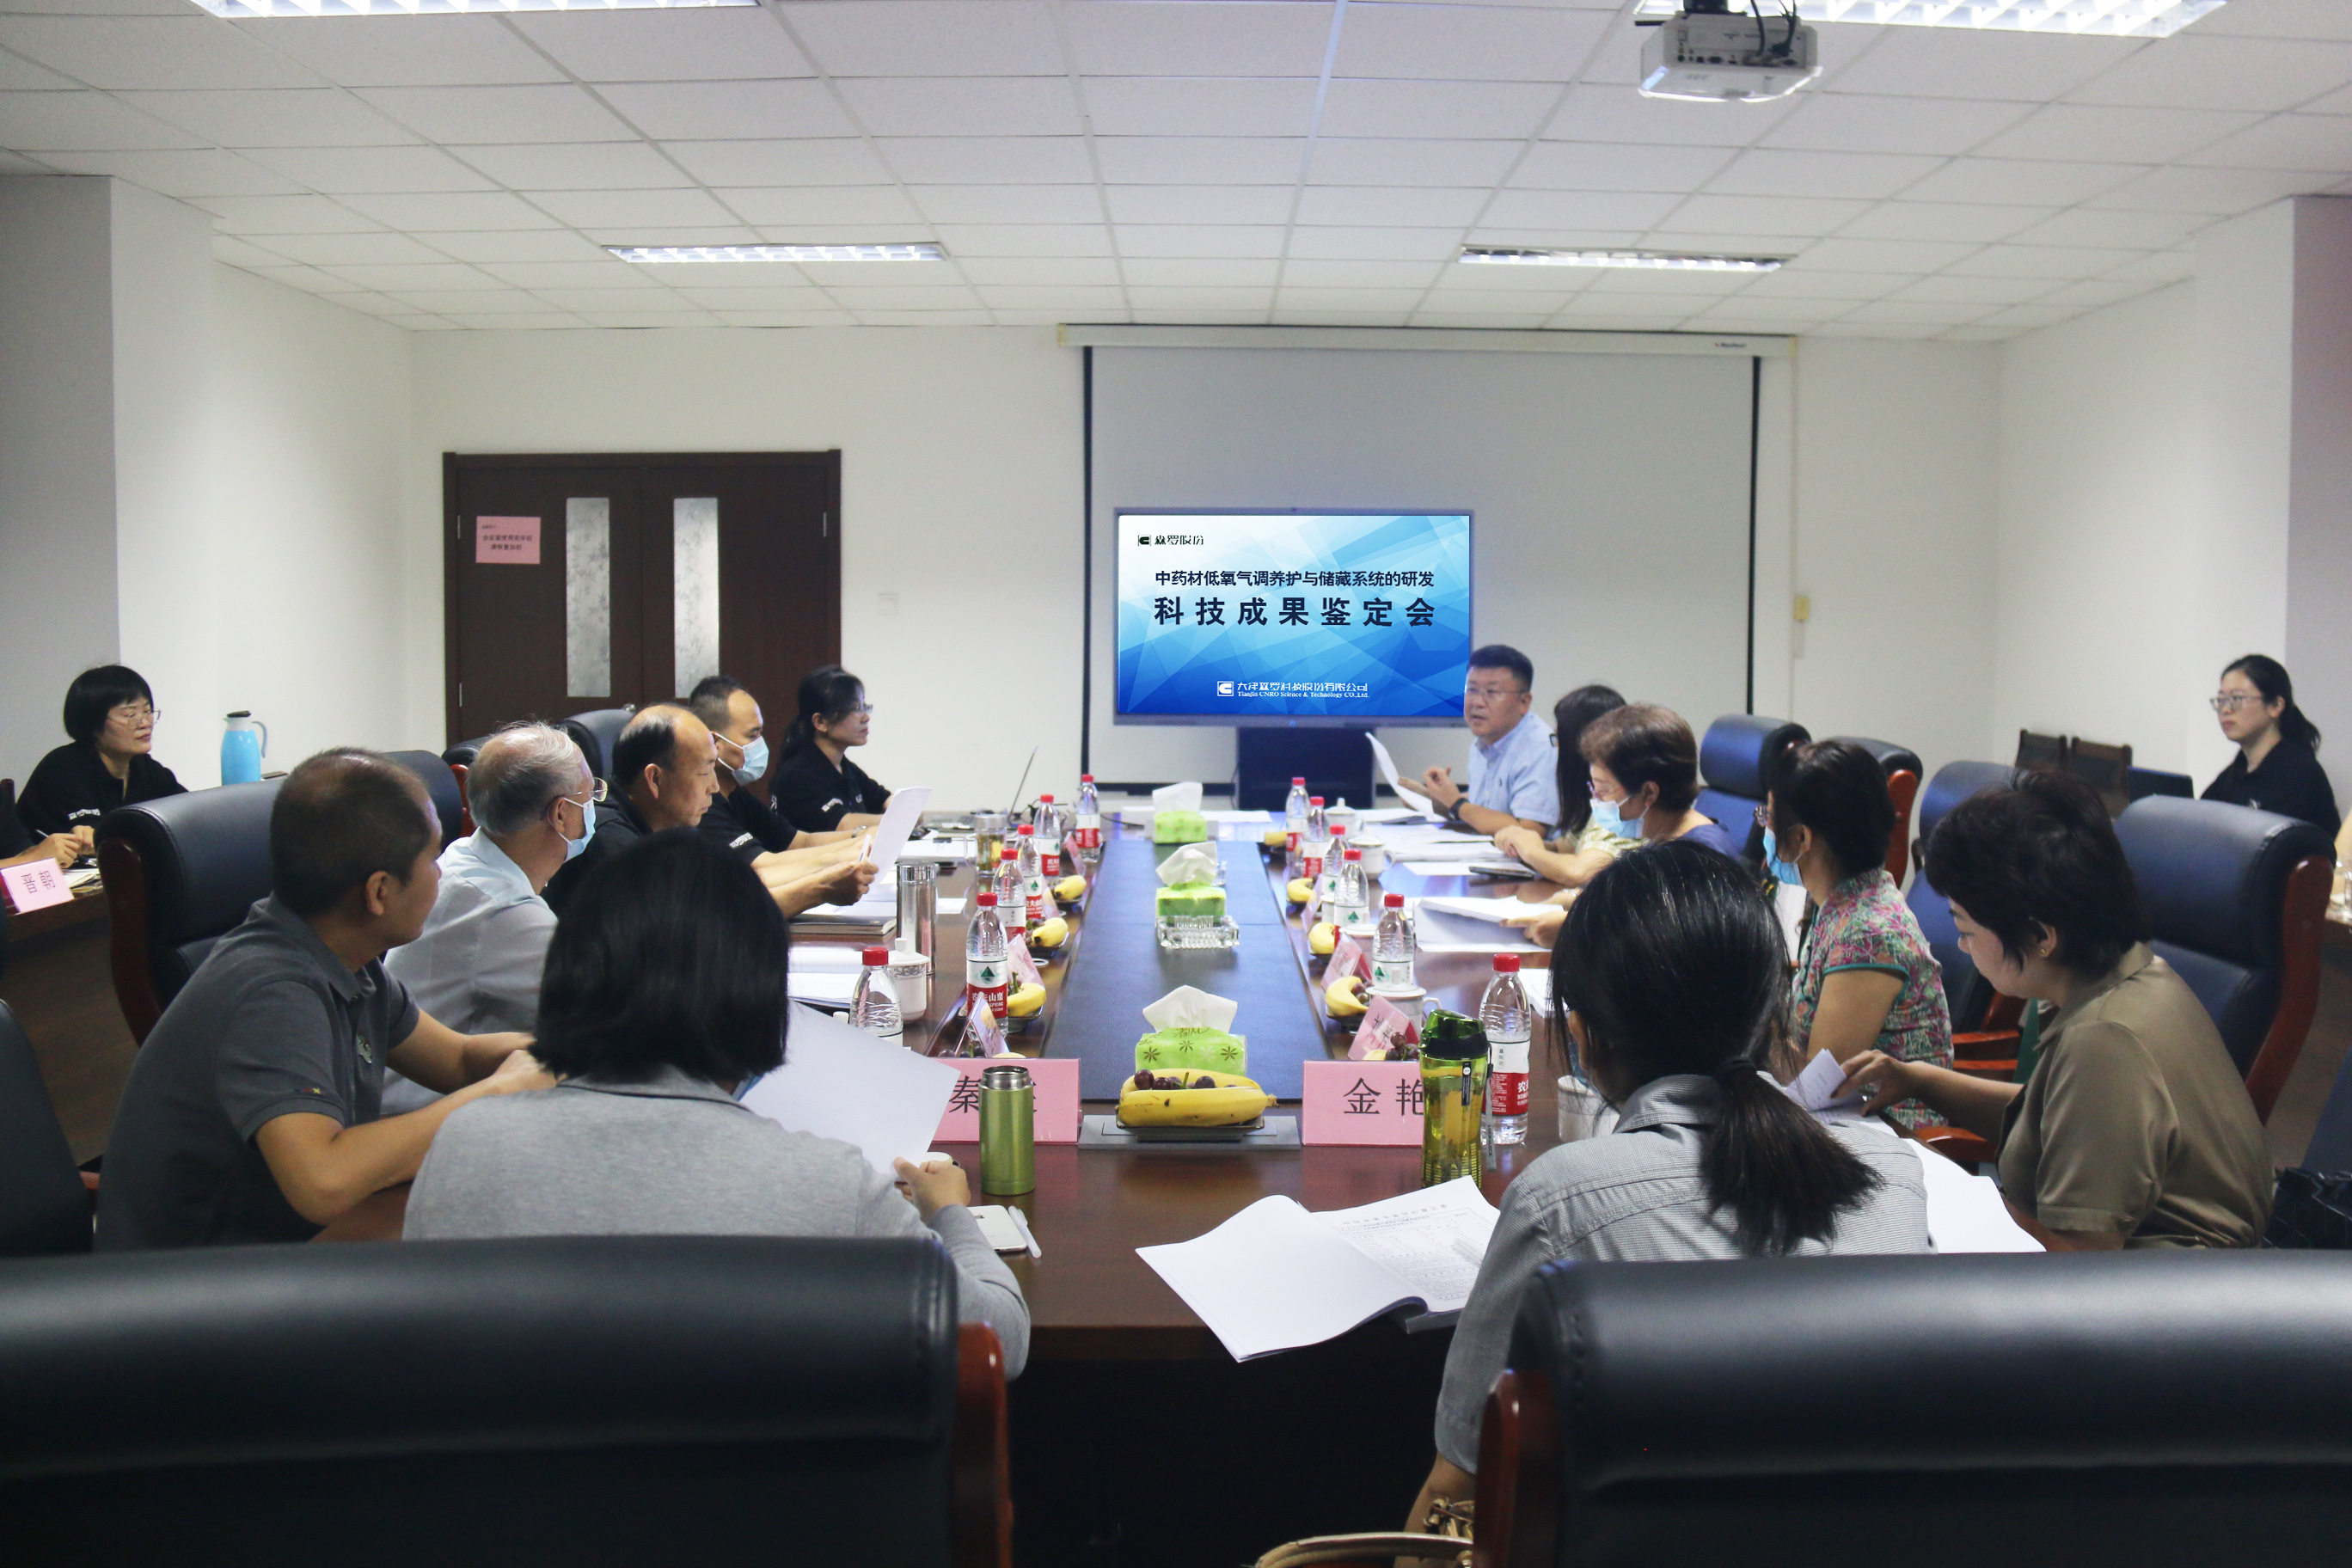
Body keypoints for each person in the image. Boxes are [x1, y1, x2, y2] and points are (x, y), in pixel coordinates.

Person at [1408, 842, 1928, 1523]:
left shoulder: (1562, 1199)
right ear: (1772, 1014)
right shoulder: (1893, 1172)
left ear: (1583, 1037)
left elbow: (1460, 1485)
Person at [404, 829, 1031, 1378]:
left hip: (513, 1510)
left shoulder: (463, 1148)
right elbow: (999, 1339)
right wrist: (949, 1214)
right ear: (759, 998)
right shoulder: (828, 1186)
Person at [95, 750, 551, 1250]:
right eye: (431, 858)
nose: (441, 873)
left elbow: (458, 1059)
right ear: (379, 892)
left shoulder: (345, 960)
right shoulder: (272, 992)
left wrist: (561, 1055)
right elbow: (322, 1181)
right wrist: (502, 1092)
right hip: (182, 1293)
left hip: (279, 1251)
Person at [1841, 769, 2272, 1250]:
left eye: (1966, 929)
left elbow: (2077, 1261)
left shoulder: (2105, 1040)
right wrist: (1918, 1080)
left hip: (2166, 1306)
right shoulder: (2133, 978)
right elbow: (2052, 1121)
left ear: (2041, 936)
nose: (1961, 946)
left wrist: (1952, 1210)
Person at [1766, 739, 1952, 1129]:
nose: (1765, 833)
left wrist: (1749, 1018)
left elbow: (1819, 1091)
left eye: (1767, 820)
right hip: (1845, 1123)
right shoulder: (1842, 900)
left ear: (1801, 839)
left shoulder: (1868, 934)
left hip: (1891, 1138)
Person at [543, 705, 871, 922]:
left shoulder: (667, 821)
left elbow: (731, 887)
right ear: (654, 779)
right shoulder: (611, 839)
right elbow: (705, 920)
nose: (715, 787)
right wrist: (820, 888)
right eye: (704, 773)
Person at [384, 723, 586, 1038]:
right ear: (561, 814)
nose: (594, 808)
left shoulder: (466, 855)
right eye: (590, 796)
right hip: (447, 1086)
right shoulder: (502, 913)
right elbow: (612, 1012)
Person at [687, 674, 852, 861]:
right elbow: (762, 866)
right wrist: (847, 856)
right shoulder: (702, 807)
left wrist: (863, 839)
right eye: (752, 736)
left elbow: (800, 842)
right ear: (715, 742)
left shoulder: (736, 795)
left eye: (760, 733)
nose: (760, 744)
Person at [18, 665, 185, 840]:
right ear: (93, 722)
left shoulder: (144, 767)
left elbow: (186, 813)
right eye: (130, 715)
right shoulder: (63, 768)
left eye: (147, 711)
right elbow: (95, 835)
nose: (144, 723)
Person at [1489, 683, 1632, 886]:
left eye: (1559, 738)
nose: (1556, 746)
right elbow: (1566, 848)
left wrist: (1531, 851)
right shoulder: (1595, 797)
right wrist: (1521, 840)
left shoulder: (1622, 799)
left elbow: (1579, 872)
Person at [1415, 645, 1556, 836]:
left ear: (1524, 702)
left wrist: (1457, 804)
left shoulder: (1539, 748)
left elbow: (1529, 830)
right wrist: (1426, 798)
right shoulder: (1484, 742)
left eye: (1492, 692)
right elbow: (1486, 808)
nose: (1477, 703)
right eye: (1471, 690)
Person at [2202, 653, 2339, 835]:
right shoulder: (2232, 776)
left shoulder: (2299, 773)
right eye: (2221, 700)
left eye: (2237, 699)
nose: (2226, 710)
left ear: (2275, 706)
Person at [769, 665, 892, 836]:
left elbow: (884, 799)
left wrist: (906, 810)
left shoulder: (844, 767)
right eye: (856, 709)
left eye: (865, 707)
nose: (866, 717)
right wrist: (901, 818)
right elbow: (843, 824)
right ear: (820, 722)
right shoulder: (797, 774)